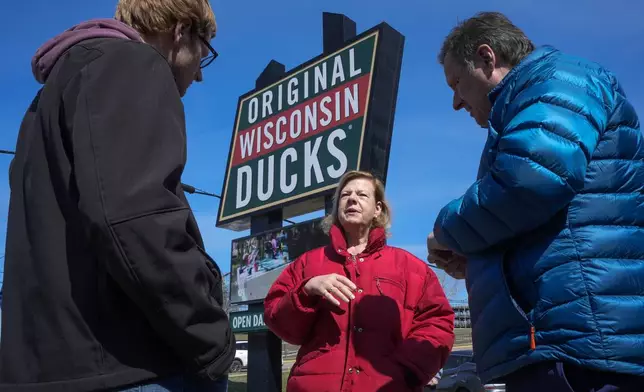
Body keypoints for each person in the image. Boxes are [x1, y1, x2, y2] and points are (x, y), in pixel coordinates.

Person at [0, 1, 234, 391]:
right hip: (134, 367)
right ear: (181, 32)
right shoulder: (132, 64)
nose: (200, 76)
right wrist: (213, 340)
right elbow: (136, 220)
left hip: (52, 370)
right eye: (204, 53)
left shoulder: (46, 101)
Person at [427, 11, 644, 392]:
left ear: (487, 58)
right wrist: (479, 257)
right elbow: (544, 215)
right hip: (566, 342)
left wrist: (447, 230)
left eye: (456, 83)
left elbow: (530, 181)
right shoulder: (531, 101)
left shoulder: (558, 79)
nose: (456, 102)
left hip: (579, 350)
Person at [265, 170, 455, 392]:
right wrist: (306, 291)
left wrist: (407, 371)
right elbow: (275, 316)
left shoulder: (410, 267)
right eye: (345, 195)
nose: (352, 198)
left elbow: (438, 322)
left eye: (362, 195)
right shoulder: (307, 263)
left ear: (377, 209)